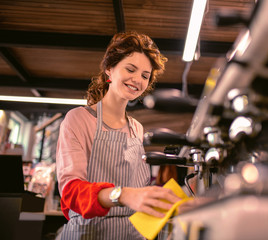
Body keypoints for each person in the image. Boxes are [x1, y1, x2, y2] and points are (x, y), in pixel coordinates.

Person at [56, 31, 181, 239]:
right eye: (130, 69)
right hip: (89, 232)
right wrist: (121, 195)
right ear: (109, 69)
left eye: (145, 75)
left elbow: (139, 189)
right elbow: (72, 192)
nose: (137, 80)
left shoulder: (137, 128)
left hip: (133, 233)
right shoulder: (79, 119)